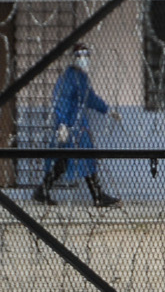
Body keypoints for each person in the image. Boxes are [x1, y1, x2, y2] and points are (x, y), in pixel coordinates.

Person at [33, 43, 122, 207]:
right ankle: (97, 196)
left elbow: (90, 98)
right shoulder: (68, 77)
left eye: (86, 56)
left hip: (78, 124)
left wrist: (107, 110)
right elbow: (61, 101)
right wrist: (62, 125)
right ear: (73, 59)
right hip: (70, 125)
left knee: (63, 160)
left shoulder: (82, 78)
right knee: (82, 157)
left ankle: (42, 191)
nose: (84, 60)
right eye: (80, 57)